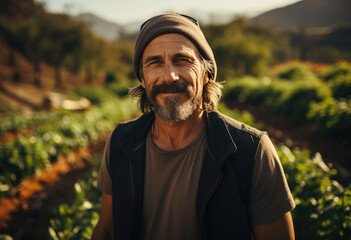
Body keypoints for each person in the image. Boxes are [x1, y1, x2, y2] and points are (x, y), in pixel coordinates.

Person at [92, 12, 295, 240]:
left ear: (206, 73)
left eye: (182, 60)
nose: (169, 76)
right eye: (154, 63)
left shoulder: (251, 151)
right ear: (142, 77)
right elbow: (107, 230)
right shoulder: (121, 142)